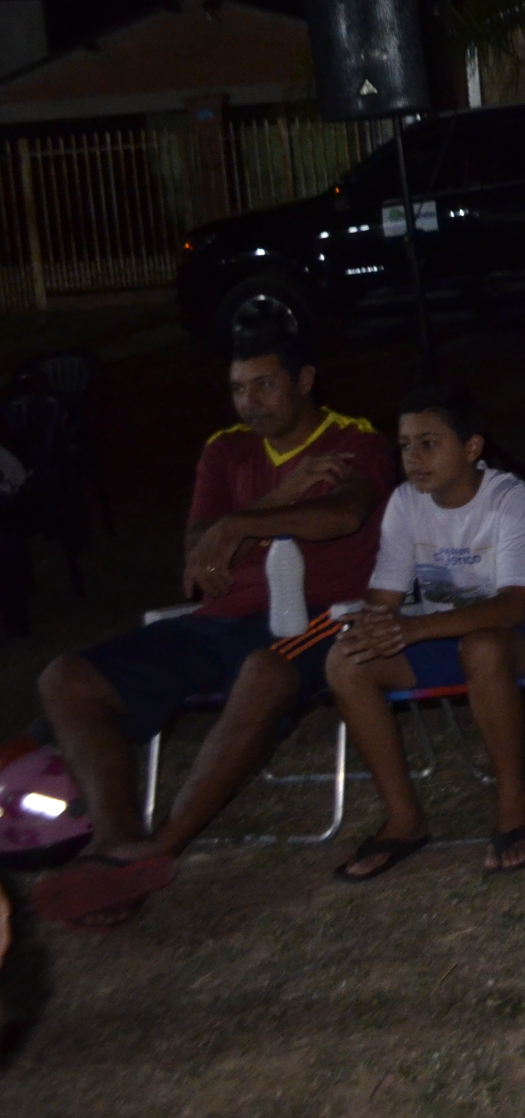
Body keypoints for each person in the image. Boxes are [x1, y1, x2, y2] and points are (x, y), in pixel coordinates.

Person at [29, 336, 390, 928]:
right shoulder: (225, 451)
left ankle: (158, 853)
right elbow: (198, 560)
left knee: (264, 669)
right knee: (66, 677)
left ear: (304, 381)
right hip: (219, 622)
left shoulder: (352, 438)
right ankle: (117, 848)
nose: (250, 402)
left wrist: (241, 526)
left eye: (265, 385)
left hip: (315, 617)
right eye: (238, 388)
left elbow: (342, 515)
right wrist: (275, 500)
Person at [326, 386, 525, 881]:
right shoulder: (405, 503)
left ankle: (514, 803)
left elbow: (513, 606)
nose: (412, 459)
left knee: (482, 647)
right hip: (445, 636)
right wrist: (369, 624)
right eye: (404, 445)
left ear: (471, 448)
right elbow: (386, 595)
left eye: (428, 443)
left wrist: (413, 628)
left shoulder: (508, 499)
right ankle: (404, 818)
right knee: (346, 661)